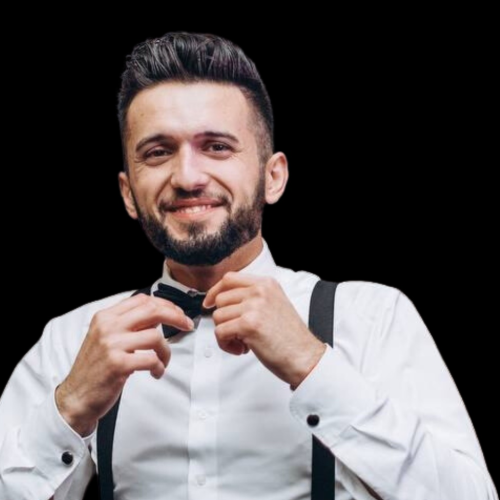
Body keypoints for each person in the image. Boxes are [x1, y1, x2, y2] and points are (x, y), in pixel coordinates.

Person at [0, 31, 497, 500]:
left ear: (273, 177)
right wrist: (70, 408)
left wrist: (314, 366)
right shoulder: (71, 340)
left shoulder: (372, 318)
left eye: (217, 147)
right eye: (158, 152)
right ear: (129, 193)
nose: (187, 177)